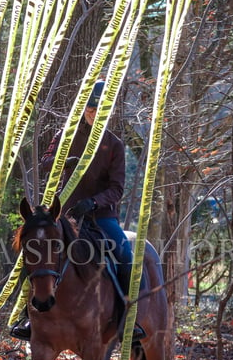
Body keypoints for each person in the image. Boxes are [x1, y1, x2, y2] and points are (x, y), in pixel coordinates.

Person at [11, 79, 146, 342]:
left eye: (101, 110)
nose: (95, 114)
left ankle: (128, 319)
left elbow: (118, 188)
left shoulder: (114, 144)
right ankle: (27, 317)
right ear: (84, 109)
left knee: (126, 256)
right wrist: (64, 162)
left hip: (101, 216)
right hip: (66, 215)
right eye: (91, 109)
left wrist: (94, 202)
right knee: (36, 251)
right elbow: (46, 161)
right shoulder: (65, 135)